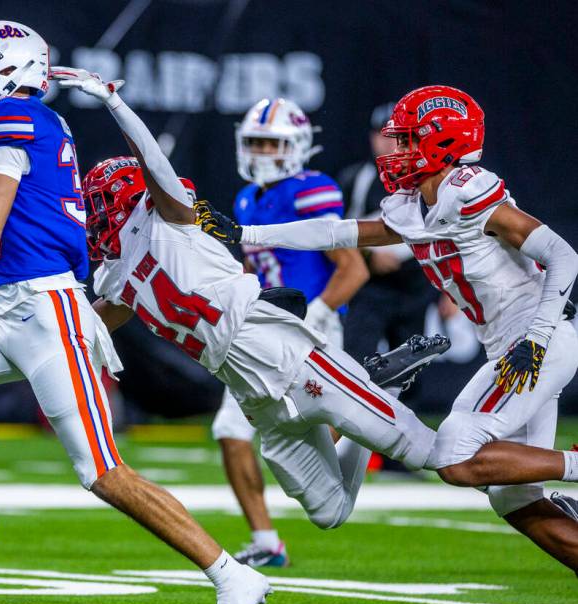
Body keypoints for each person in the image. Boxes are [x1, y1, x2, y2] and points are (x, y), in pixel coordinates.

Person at [0, 21, 270, 604]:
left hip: (49, 316)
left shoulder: (9, 119)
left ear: (5, 68)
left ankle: (232, 573)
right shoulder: (26, 123)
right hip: (14, 307)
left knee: (103, 473)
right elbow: (11, 229)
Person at [51, 65, 452, 550]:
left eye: (97, 204)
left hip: (274, 340)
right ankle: (376, 387)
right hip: (240, 375)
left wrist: (116, 104)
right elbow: (79, 322)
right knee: (329, 512)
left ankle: (563, 469)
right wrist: (11, 311)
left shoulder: (171, 215)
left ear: (124, 199)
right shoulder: (114, 274)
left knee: (423, 451)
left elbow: (153, 163)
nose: (90, 217)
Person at [197, 85, 578, 572]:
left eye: (407, 140)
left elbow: (561, 254)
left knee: (455, 451)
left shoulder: (467, 191)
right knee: (516, 500)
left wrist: (538, 337)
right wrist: (246, 233)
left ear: (441, 142)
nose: (395, 151)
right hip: (507, 342)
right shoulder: (411, 204)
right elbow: (337, 232)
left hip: (537, 336)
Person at [212, 98, 368, 568]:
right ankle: (266, 540)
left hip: (309, 332)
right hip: (261, 335)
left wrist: (320, 312)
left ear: (297, 146)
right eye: (255, 141)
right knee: (230, 431)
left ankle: (404, 417)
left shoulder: (312, 189)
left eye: (272, 143)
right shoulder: (245, 198)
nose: (261, 151)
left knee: (350, 426)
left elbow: (353, 266)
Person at [338, 102, 435, 371]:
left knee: (410, 370)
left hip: (415, 288)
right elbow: (335, 234)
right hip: (370, 288)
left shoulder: (431, 179)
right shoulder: (355, 178)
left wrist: (445, 295)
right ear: (371, 138)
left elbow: (444, 231)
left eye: (400, 138)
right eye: (384, 135)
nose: (391, 144)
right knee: (356, 361)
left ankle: (403, 413)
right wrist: (369, 255)